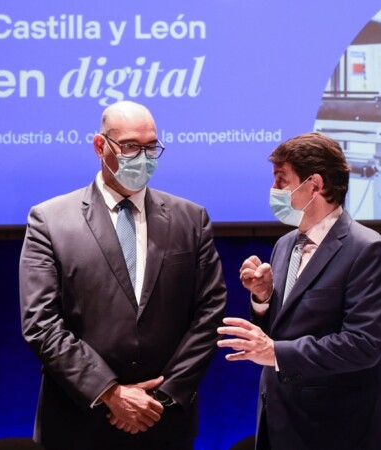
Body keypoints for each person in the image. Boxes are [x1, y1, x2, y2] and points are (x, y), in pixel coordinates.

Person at [19, 101, 227, 450]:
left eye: (151, 147)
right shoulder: (50, 220)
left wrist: (160, 398)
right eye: (131, 146)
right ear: (100, 146)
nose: (143, 157)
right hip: (77, 424)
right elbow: (41, 323)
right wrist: (110, 392)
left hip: (163, 421)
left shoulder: (191, 219)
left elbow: (210, 312)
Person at [217, 132, 381, 450]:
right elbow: (280, 331)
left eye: (281, 179)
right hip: (280, 422)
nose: (274, 189)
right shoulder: (285, 245)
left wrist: (275, 353)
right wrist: (263, 299)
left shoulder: (366, 248)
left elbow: (363, 345)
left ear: (314, 184)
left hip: (336, 430)